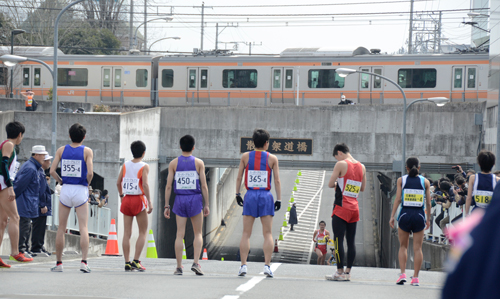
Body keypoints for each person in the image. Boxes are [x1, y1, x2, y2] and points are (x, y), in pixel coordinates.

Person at [235, 129, 281, 278]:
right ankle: (267, 266)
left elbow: (239, 177)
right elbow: (277, 180)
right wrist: (279, 199)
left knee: (246, 233)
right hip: (266, 196)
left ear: (253, 142)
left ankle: (243, 265)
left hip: (250, 195)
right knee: (267, 233)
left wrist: (237, 194)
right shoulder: (272, 158)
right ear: (266, 143)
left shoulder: (245, 157)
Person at [50, 123, 94, 273]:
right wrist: (87, 183)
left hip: (66, 188)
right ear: (84, 137)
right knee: (83, 227)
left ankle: (59, 263)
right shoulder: (87, 151)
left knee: (61, 227)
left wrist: (60, 180)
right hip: (80, 189)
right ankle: (83, 262)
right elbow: (90, 173)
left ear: (69, 135)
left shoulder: (61, 150)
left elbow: (51, 170)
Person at [164, 135, 209, 276]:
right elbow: (203, 185)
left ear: (180, 147)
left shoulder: (173, 163)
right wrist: (206, 204)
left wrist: (166, 205)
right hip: (195, 199)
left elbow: (168, 186)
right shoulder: (199, 163)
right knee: (198, 233)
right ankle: (196, 263)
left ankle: (178, 267)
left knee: (179, 234)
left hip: (180, 199)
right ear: (193, 147)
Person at [325, 143, 366, 281]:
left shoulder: (341, 164)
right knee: (351, 241)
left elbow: (330, 184)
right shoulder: (362, 167)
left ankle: (339, 272)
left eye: (337, 157)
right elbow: (362, 188)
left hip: (341, 208)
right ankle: (348, 273)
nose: (337, 160)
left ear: (339, 153)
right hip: (354, 208)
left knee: (338, 240)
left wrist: (337, 184)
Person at [389, 157, 431, 286]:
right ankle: (416, 278)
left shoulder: (401, 180)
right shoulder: (425, 182)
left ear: (406, 167)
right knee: (418, 248)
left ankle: (402, 274)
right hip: (419, 215)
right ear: (419, 168)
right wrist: (428, 219)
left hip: (405, 215)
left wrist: (392, 216)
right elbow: (428, 203)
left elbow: (397, 200)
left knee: (403, 246)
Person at [117, 141, 153, 272]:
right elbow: (145, 184)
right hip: (138, 199)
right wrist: (149, 201)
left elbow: (118, 182)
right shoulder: (144, 166)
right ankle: (136, 261)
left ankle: (127, 262)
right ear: (143, 153)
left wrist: (121, 196)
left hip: (127, 199)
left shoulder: (125, 165)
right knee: (143, 231)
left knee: (127, 233)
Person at [0, 121, 32, 267]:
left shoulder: (8, 145)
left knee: (3, 222)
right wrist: (9, 185)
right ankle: (14, 252)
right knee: (15, 217)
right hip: (3, 184)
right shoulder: (9, 145)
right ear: (20, 134)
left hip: (2, 183)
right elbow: (3, 164)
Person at [14, 145, 47, 256]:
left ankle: (25, 249)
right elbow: (19, 186)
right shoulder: (30, 168)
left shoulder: (33, 167)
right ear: (36, 155)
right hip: (25, 201)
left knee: (27, 225)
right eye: (42, 155)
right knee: (24, 225)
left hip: (28, 201)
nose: (44, 157)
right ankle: (21, 250)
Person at [465, 150, 499, 215]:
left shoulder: (473, 178)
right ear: (493, 164)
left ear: (479, 164)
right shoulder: (497, 180)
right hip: (490, 214)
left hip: (476, 213)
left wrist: (466, 215)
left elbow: (469, 197)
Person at [31, 155, 53, 256]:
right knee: (38, 226)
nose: (49, 163)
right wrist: (42, 204)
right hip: (40, 205)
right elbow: (40, 190)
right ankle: (36, 247)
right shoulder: (39, 172)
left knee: (41, 226)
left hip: (42, 204)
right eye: (48, 161)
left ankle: (39, 245)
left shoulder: (41, 172)